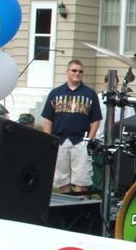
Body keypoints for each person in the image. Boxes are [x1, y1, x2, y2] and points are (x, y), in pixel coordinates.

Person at [42, 59, 102, 193]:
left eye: (80, 71)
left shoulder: (90, 94)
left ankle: (80, 208)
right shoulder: (55, 93)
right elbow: (48, 119)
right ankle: (66, 208)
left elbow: (96, 119)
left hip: (81, 141)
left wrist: (89, 140)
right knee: (62, 180)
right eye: (74, 70)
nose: (77, 73)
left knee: (82, 180)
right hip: (59, 140)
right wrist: (48, 140)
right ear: (67, 72)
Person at [97, 75, 136, 139]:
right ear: (105, 83)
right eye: (111, 84)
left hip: (117, 135)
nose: (113, 87)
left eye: (116, 84)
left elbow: (130, 117)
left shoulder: (122, 99)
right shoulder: (98, 98)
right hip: (99, 135)